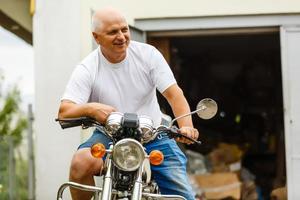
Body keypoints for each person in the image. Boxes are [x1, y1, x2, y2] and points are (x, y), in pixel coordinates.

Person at [58, 7, 199, 200]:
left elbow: (174, 94)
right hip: (108, 135)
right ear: (96, 37)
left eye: (124, 29)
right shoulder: (88, 67)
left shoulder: (148, 55)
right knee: (80, 163)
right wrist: (91, 108)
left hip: (154, 135)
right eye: (113, 32)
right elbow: (65, 110)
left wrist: (186, 127)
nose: (122, 36)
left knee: (182, 194)